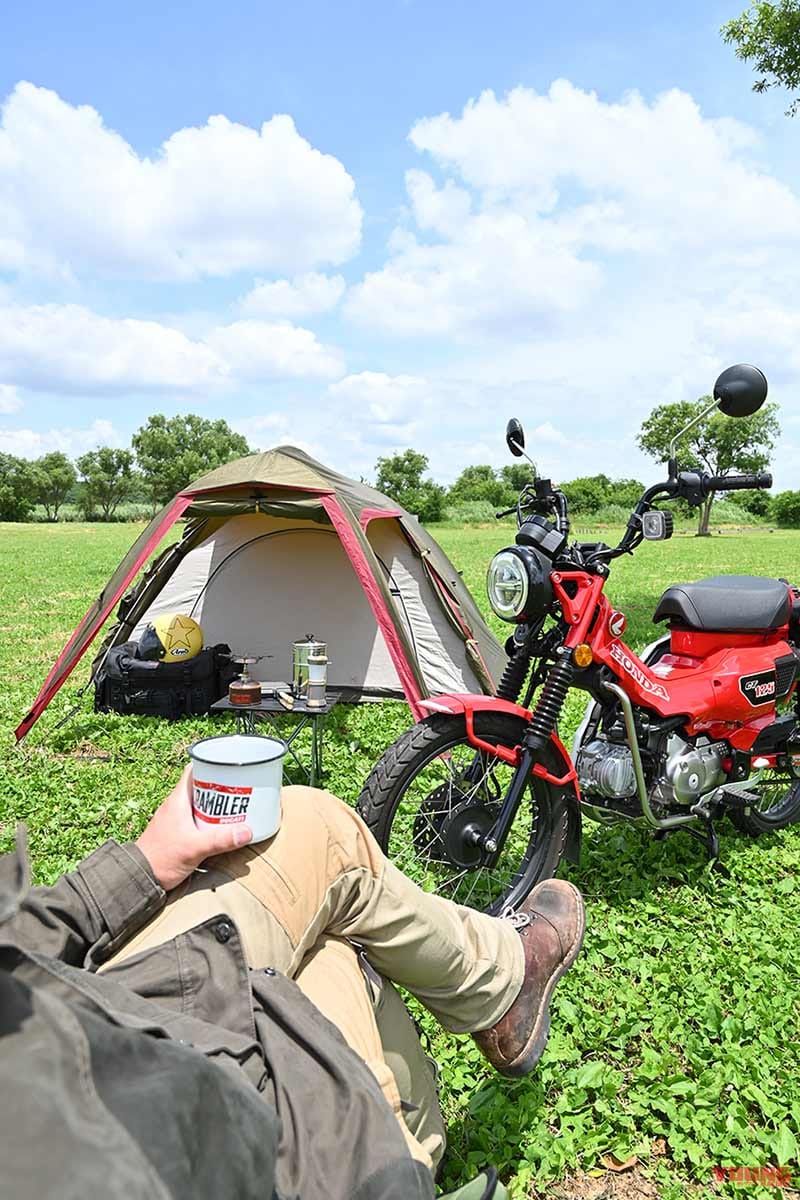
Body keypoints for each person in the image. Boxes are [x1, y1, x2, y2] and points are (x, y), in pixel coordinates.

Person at [0, 768, 585, 1200]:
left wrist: (145, 863)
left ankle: (417, 1111)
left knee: (314, 833)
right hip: (155, 1125)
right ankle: (488, 1006)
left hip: (89, 1019)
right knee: (330, 946)